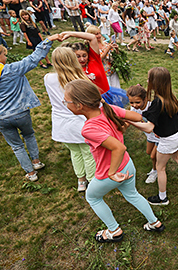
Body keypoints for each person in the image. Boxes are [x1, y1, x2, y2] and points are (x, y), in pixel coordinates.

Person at [63, 79, 164, 243]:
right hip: (127, 165)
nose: (65, 103)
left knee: (93, 197)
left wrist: (112, 173)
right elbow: (138, 117)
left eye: (66, 101)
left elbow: (118, 148)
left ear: (80, 105)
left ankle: (114, 231)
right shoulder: (108, 110)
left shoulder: (88, 128)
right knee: (133, 194)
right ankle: (155, 222)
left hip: (110, 173)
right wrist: (121, 124)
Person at [0, 34, 61, 181]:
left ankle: (30, 173)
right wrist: (49, 40)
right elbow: (34, 58)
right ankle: (36, 162)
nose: (5, 57)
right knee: (28, 135)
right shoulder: (12, 69)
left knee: (16, 146)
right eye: (4, 54)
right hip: (20, 112)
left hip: (0, 116)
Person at [142, 67, 178, 205]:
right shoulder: (170, 97)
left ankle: (163, 198)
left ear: (155, 83)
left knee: (160, 167)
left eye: (149, 79)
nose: (147, 80)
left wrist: (130, 121)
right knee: (177, 156)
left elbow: (149, 127)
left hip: (168, 140)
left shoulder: (157, 102)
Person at [44, 47, 96, 191]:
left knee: (75, 152)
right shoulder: (81, 79)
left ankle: (81, 180)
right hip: (80, 122)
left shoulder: (48, 78)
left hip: (61, 123)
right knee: (88, 153)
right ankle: (92, 181)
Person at [60, 31, 128, 107]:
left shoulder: (94, 60)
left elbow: (92, 37)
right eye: (78, 56)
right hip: (91, 102)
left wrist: (71, 34)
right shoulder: (74, 69)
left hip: (106, 98)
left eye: (84, 55)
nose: (82, 59)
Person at [127, 84, 159, 184]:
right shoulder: (134, 109)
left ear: (145, 99)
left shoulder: (151, 107)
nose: (134, 105)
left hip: (159, 136)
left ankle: (156, 171)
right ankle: (161, 161)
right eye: (131, 102)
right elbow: (128, 119)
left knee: (153, 156)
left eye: (137, 102)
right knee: (148, 152)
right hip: (150, 136)